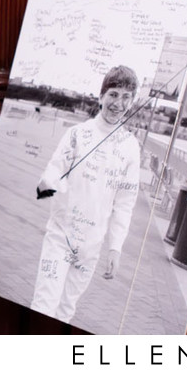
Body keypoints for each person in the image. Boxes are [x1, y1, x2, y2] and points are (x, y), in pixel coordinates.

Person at [31, 65, 140, 323]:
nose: (118, 103)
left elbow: (125, 203)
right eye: (113, 94)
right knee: (43, 305)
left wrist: (115, 248)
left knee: (66, 310)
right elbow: (52, 175)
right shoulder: (77, 135)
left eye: (126, 97)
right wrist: (51, 189)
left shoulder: (131, 147)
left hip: (91, 247)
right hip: (60, 238)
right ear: (101, 96)